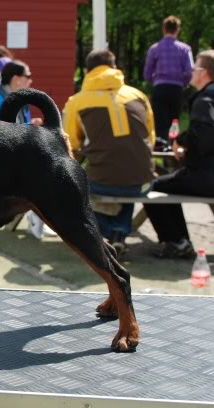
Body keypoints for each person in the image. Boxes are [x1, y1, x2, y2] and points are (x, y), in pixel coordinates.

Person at [63, 49, 156, 258]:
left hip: (103, 181)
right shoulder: (138, 96)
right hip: (142, 183)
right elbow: (150, 139)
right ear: (115, 67)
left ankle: (103, 234)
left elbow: (70, 144)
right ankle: (118, 234)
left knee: (83, 182)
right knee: (128, 176)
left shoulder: (77, 101)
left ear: (87, 71)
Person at [144, 50, 214, 259]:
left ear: (204, 72)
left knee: (153, 187)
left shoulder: (205, 100)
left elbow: (206, 135)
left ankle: (177, 241)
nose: (191, 72)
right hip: (207, 172)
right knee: (169, 181)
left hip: (205, 176)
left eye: (195, 68)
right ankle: (180, 240)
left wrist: (182, 141)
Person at [0, 60, 52, 239]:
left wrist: (31, 126)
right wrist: (29, 126)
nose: (31, 81)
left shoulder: (22, 100)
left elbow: (18, 129)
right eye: (28, 76)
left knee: (46, 170)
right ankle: (38, 218)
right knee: (41, 174)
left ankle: (38, 217)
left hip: (17, 155)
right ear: (16, 79)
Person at [144, 15, 193, 141]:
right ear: (177, 29)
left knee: (160, 121)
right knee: (174, 121)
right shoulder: (185, 49)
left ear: (163, 29)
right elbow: (189, 72)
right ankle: (172, 149)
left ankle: (161, 148)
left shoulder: (155, 48)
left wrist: (154, 81)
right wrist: (184, 83)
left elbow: (147, 73)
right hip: (176, 89)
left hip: (160, 88)